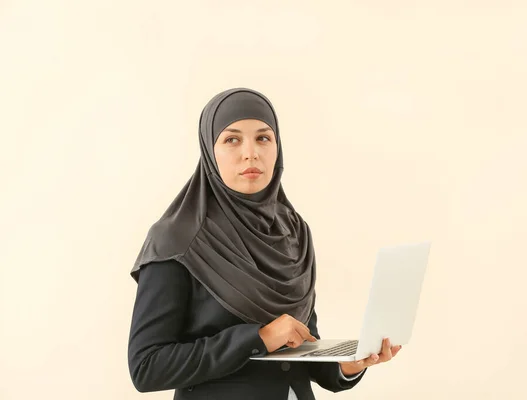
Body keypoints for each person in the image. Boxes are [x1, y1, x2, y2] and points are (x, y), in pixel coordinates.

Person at [127, 88, 401, 399]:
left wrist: (348, 365)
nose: (250, 153)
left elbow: (300, 346)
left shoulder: (292, 231)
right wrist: (258, 338)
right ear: (209, 150)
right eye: (232, 139)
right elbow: (147, 367)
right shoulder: (177, 240)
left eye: (263, 138)